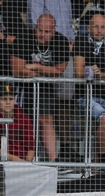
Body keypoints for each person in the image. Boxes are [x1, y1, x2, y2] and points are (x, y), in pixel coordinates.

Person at [9, 13, 72, 161]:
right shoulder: (24, 38)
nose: (42, 35)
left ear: (54, 30)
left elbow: (58, 71)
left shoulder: (61, 41)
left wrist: (35, 66)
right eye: (40, 30)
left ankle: (53, 160)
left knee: (46, 119)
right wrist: (45, 71)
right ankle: (20, 159)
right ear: (35, 27)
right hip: (22, 87)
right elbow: (17, 71)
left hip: (45, 86)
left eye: (47, 32)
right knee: (21, 120)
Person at [74, 13, 105, 161]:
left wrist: (100, 75)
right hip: (86, 96)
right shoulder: (81, 41)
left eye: (103, 27)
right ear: (88, 28)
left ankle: (98, 161)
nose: (100, 30)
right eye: (96, 27)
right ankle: (99, 162)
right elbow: (79, 72)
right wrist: (93, 73)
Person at [0, 84, 35, 161]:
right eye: (4, 99)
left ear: (14, 100)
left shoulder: (24, 118)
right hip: (0, 159)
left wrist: (27, 163)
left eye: (11, 99)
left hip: (22, 159)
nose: (8, 102)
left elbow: (30, 146)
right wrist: (17, 160)